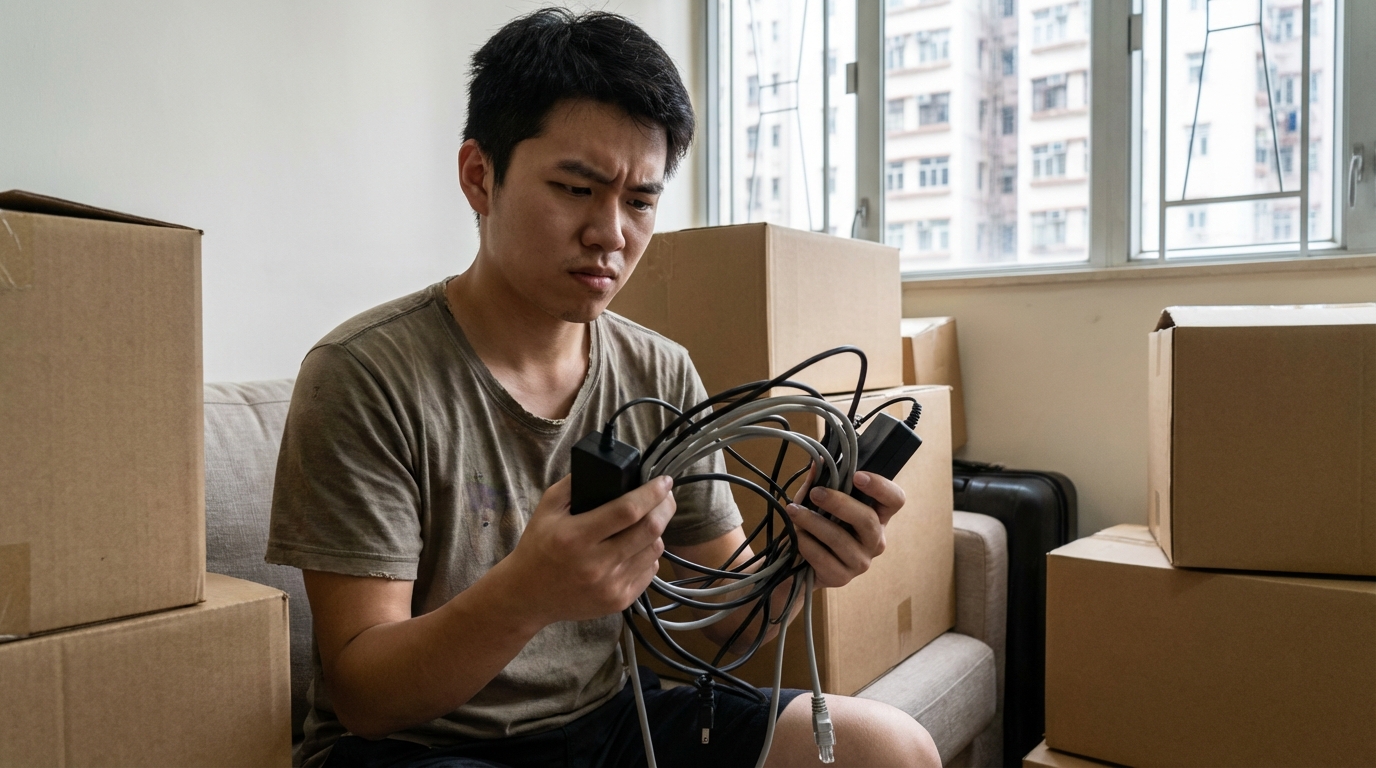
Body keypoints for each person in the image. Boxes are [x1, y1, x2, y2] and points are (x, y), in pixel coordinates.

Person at [266, 8, 942, 768]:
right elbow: (365, 695)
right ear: (479, 176)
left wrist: (803, 568)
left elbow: (731, 623)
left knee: (891, 748)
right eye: (576, 188)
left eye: (640, 201)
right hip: (419, 745)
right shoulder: (364, 374)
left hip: (611, 722)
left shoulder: (659, 371)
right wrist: (526, 592)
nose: (611, 234)